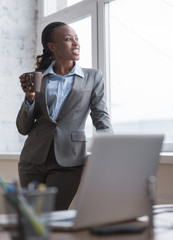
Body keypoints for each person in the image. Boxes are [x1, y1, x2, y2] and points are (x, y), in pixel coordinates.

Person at [16, 22, 113, 210]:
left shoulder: (93, 77)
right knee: (33, 219)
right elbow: (23, 127)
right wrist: (29, 97)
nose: (76, 43)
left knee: (54, 216)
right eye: (69, 39)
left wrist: (108, 151)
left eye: (77, 39)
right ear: (52, 46)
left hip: (69, 161)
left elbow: (101, 117)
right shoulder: (39, 77)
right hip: (32, 159)